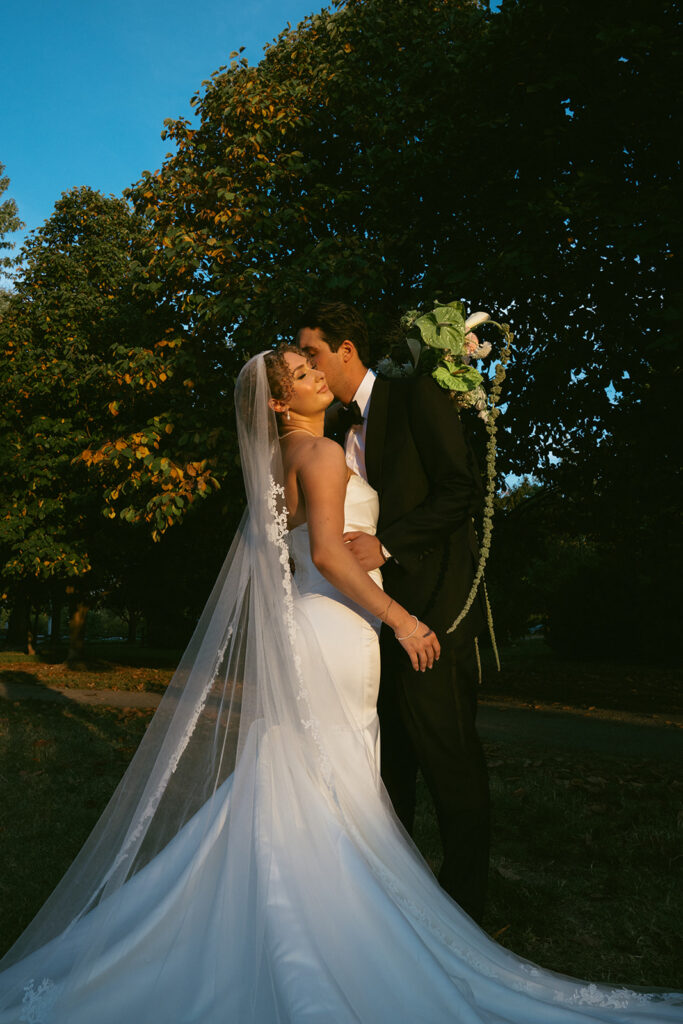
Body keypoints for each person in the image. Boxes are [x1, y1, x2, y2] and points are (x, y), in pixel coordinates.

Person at [0, 348, 679, 1023]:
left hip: (312, 627)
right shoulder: (320, 458)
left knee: (306, 768)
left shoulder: (278, 461)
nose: (318, 375)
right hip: (338, 627)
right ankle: (331, 929)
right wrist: (403, 619)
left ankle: (291, 907)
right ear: (276, 403)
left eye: (312, 365)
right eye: (300, 374)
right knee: (335, 770)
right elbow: (326, 551)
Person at [297, 301, 490, 921]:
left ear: (345, 350)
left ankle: (467, 905)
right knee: (388, 766)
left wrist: (389, 545)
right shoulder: (334, 436)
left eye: (313, 353)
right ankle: (397, 902)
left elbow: (460, 488)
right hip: (366, 624)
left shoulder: (416, 397)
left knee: (449, 760)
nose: (307, 364)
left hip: (433, 611)